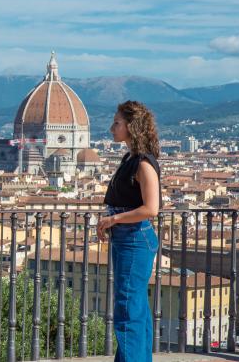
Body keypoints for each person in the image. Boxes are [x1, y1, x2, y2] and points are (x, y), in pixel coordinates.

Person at [97, 100, 161, 362]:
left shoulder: (143, 163)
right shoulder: (131, 158)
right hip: (129, 237)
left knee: (128, 309)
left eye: (117, 123)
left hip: (134, 238)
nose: (112, 128)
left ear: (131, 126)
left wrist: (115, 219)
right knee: (135, 308)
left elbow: (151, 208)